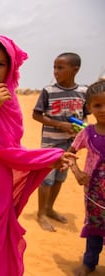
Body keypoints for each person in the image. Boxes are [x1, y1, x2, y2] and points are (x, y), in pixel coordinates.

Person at [0, 34, 76, 275]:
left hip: (0, 190)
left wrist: (51, 157)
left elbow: (11, 153)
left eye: (1, 64)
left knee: (3, 252)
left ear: (10, 67)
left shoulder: (10, 103)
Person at [33, 52, 89, 232]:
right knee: (46, 179)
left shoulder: (83, 92)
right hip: (50, 143)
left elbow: (85, 115)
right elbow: (36, 115)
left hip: (70, 145)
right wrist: (59, 124)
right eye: (54, 67)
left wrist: (80, 130)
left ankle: (50, 208)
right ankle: (41, 213)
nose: (56, 71)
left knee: (60, 178)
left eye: (60, 67)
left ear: (75, 69)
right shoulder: (48, 91)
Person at [68, 80, 105, 276]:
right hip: (95, 198)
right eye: (97, 105)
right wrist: (76, 171)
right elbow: (69, 154)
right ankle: (89, 263)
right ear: (89, 107)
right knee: (95, 231)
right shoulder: (86, 134)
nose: (103, 110)